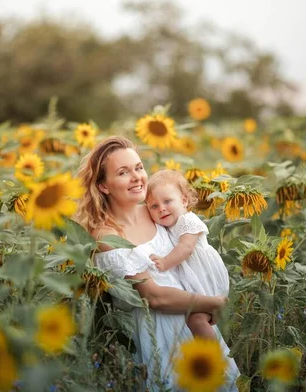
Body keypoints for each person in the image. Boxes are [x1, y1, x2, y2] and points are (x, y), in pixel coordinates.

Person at [75, 136, 239, 391]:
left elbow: (188, 242)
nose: (137, 177)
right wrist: (213, 303)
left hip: (196, 320)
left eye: (139, 167)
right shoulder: (107, 236)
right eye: (123, 172)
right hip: (161, 333)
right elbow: (153, 297)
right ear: (104, 186)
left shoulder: (154, 210)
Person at [146, 169, 230, 340]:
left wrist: (164, 262)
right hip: (194, 279)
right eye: (154, 206)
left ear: (184, 201)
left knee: (196, 320)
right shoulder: (167, 227)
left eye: (167, 201)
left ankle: (212, 358)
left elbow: (186, 248)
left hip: (205, 277)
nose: (161, 209)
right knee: (195, 319)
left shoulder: (187, 220)